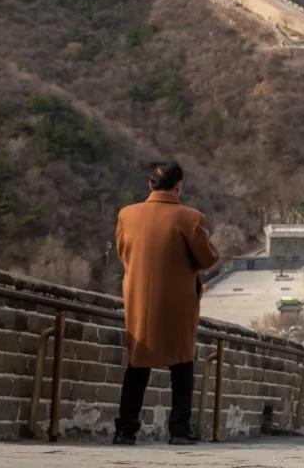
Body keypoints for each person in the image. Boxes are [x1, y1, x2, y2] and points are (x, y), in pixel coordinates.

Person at [113, 162, 220, 445]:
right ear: (178, 186)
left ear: (150, 184)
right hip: (178, 301)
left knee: (137, 364)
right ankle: (179, 430)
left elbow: (124, 254)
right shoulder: (191, 218)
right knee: (182, 364)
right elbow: (208, 258)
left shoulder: (127, 215)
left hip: (139, 300)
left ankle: (125, 429)